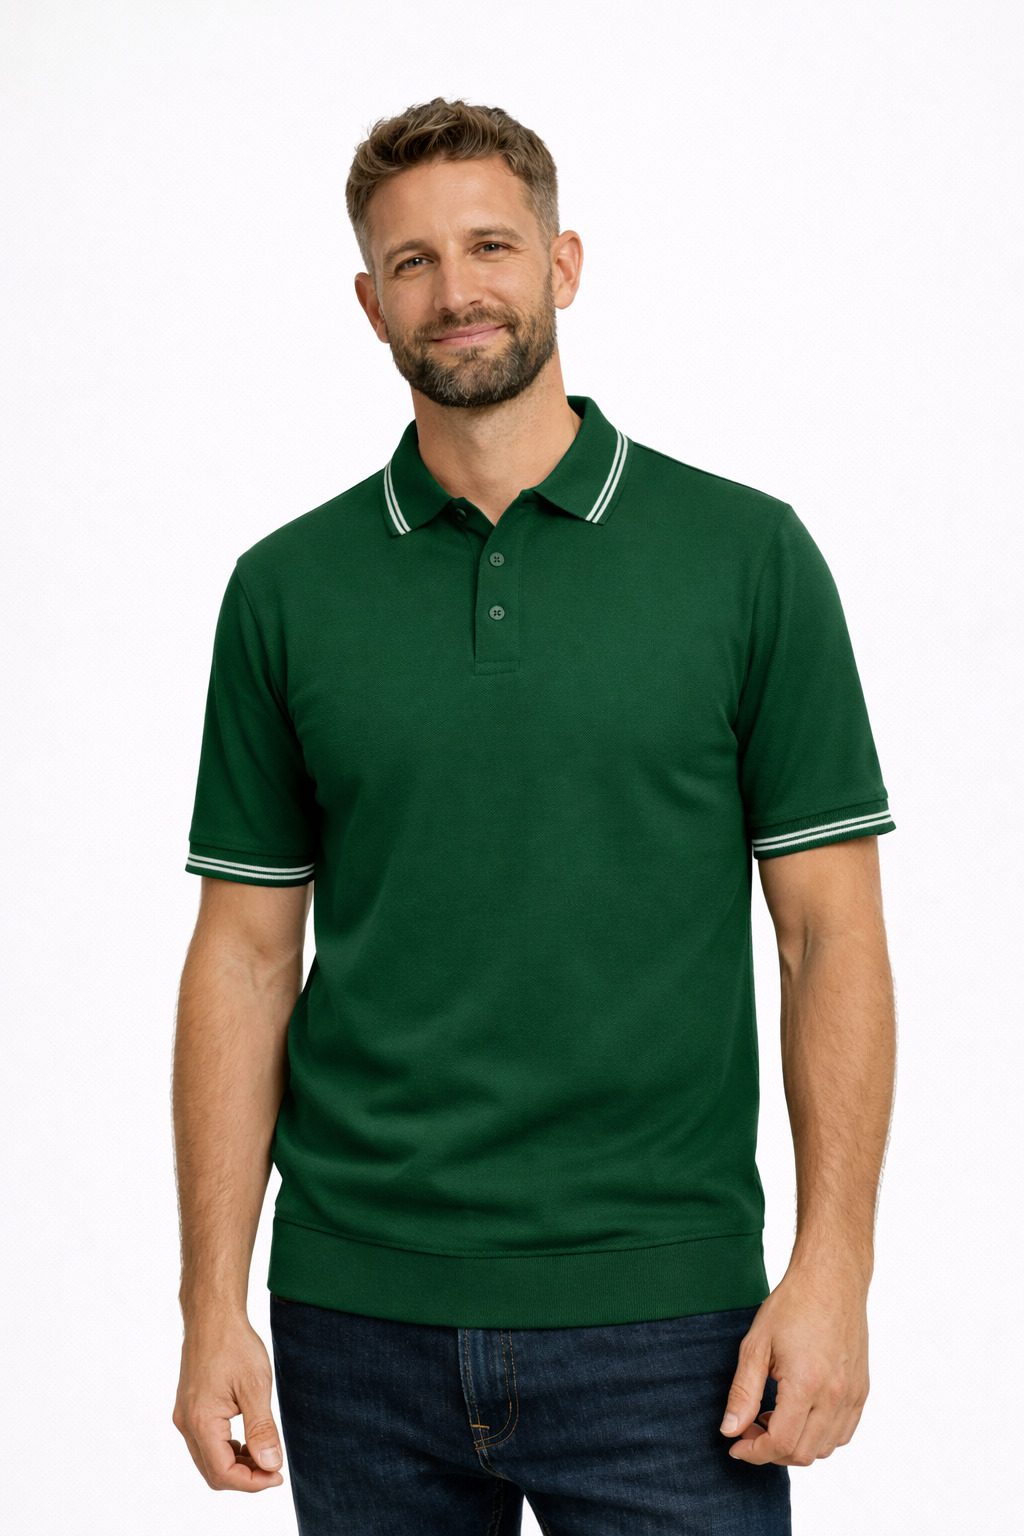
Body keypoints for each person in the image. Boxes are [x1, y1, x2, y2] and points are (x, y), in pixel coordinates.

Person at [171, 96, 897, 1535]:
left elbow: (830, 937)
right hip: (355, 1319)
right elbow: (244, 955)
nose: (457, 290)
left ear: (564, 263)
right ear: (370, 300)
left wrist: (836, 1273)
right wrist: (210, 1305)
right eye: (415, 260)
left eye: (491, 246)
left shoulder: (746, 556)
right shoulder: (286, 588)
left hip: (667, 1322)